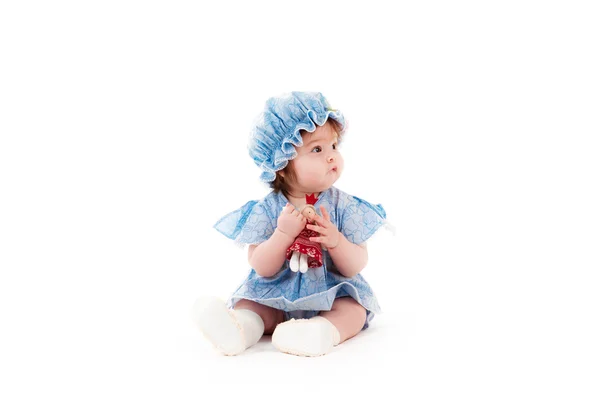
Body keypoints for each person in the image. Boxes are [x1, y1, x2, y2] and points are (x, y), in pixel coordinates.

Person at [192, 92, 389, 357]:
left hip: (331, 292)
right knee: (253, 305)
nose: (331, 156)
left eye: (333, 146)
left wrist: (336, 241)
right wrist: (283, 234)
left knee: (353, 309)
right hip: (275, 293)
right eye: (317, 150)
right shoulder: (268, 209)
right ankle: (239, 330)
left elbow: (356, 264)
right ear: (282, 164)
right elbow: (261, 266)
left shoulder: (345, 206)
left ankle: (320, 331)